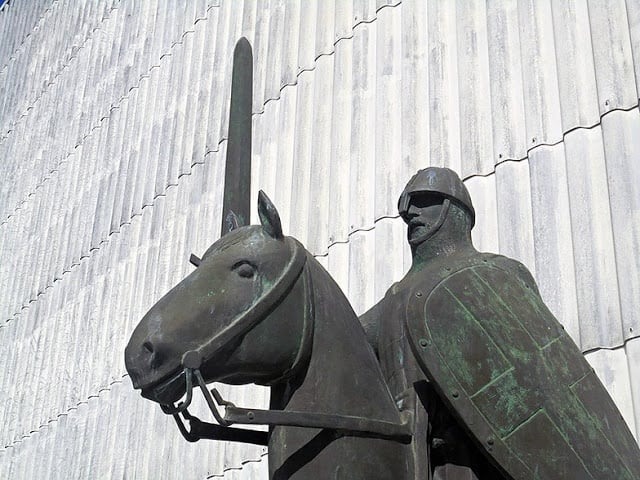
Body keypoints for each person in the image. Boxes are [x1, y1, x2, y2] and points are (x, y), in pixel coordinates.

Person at [360, 167, 508, 479]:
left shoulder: (494, 273)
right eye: (406, 207)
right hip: (411, 458)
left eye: (425, 200)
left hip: (476, 461)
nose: (411, 212)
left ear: (455, 209)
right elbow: (344, 342)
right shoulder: (395, 297)